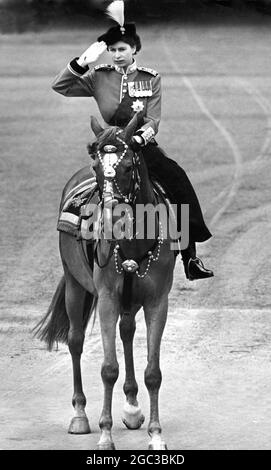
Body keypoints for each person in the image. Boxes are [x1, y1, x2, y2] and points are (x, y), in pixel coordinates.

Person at [52, 22, 214, 281]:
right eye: (113, 49)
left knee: (178, 184)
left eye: (123, 49)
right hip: (109, 146)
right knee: (92, 192)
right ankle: (86, 247)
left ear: (134, 49)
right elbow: (61, 86)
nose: (117, 54)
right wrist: (83, 61)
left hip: (140, 146)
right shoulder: (98, 75)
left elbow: (154, 120)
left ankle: (189, 256)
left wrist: (140, 138)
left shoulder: (151, 78)